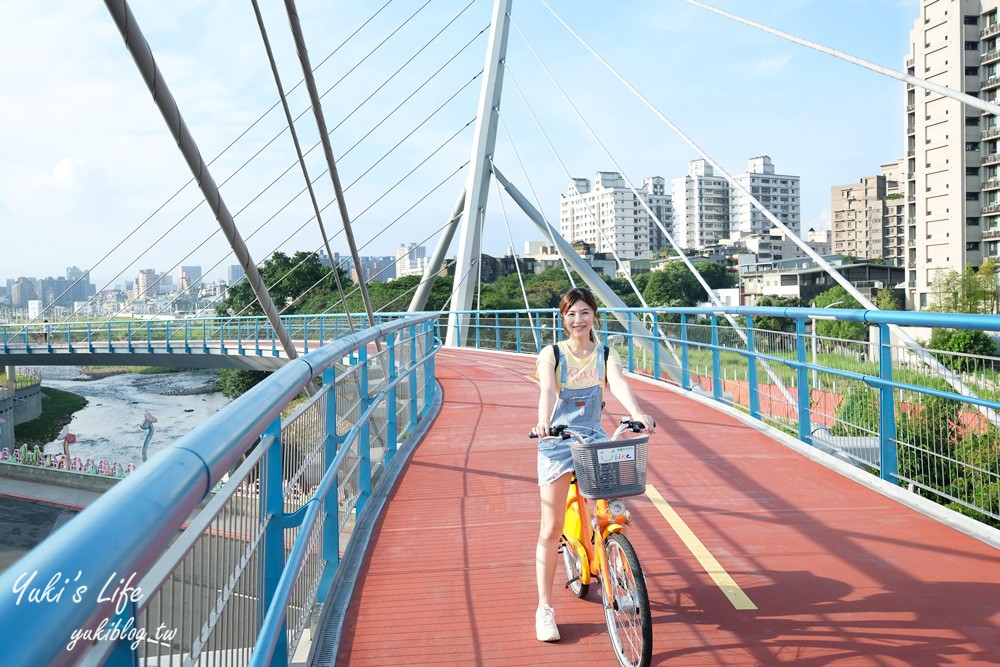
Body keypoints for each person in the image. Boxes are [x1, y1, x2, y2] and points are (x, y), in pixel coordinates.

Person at [532, 287, 655, 642]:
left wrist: (637, 414)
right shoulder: (552, 354)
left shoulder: (605, 353)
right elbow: (547, 392)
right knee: (550, 527)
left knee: (609, 514)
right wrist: (543, 423)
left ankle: (617, 571)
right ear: (563, 318)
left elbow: (617, 383)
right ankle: (544, 609)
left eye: (584, 312)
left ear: (594, 316)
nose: (578, 320)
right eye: (571, 314)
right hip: (556, 441)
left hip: (592, 438)